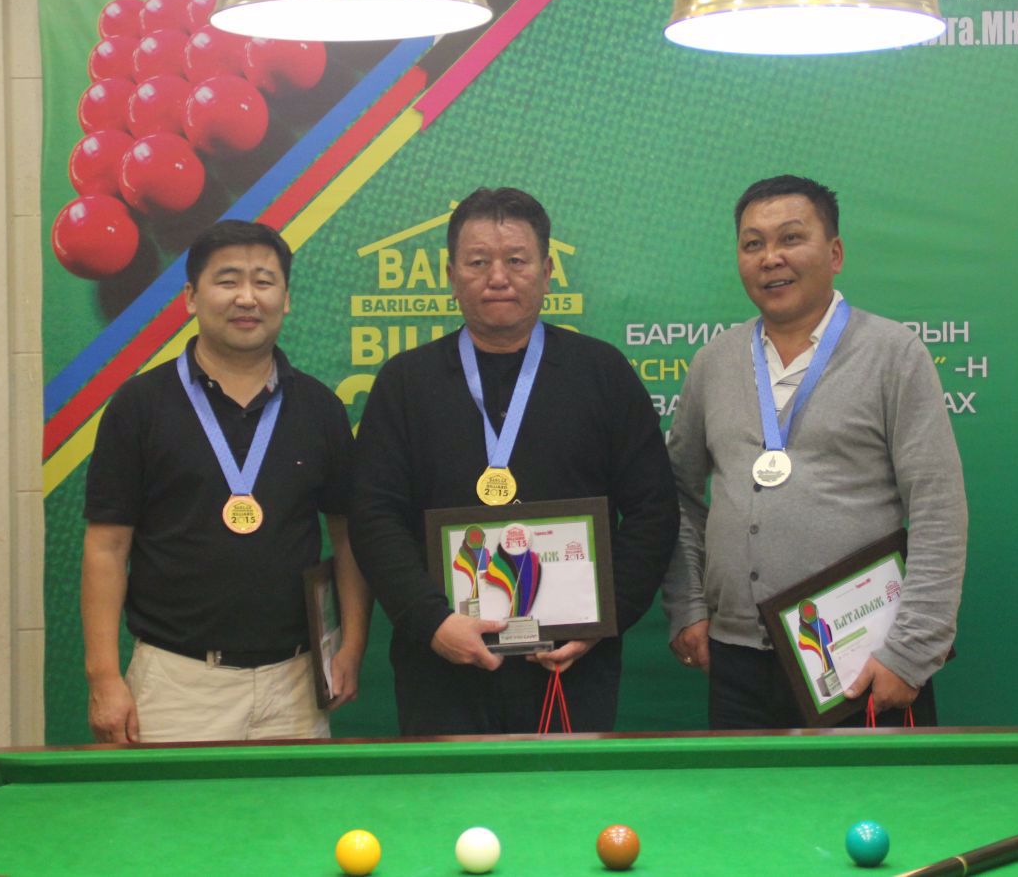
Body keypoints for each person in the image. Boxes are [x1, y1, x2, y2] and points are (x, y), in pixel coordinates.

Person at [350, 186, 679, 734]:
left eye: (517, 261)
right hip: (440, 666)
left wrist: (601, 619)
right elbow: (374, 516)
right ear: (451, 274)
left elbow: (653, 511)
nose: (498, 277)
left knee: (567, 791)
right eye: (478, 262)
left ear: (547, 272)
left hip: (571, 665)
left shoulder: (602, 373)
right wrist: (431, 621)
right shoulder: (405, 383)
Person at [662, 175, 967, 729]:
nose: (770, 258)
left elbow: (938, 510)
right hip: (736, 660)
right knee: (746, 791)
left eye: (791, 238)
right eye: (753, 244)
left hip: (864, 657)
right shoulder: (714, 362)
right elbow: (676, 494)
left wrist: (910, 651)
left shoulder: (894, 355)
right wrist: (688, 605)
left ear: (835, 253)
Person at [82, 219, 370, 743]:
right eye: (228, 280)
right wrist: (103, 676)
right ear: (191, 298)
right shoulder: (139, 406)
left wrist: (350, 646)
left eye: (264, 281)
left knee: (294, 803)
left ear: (286, 300)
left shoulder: (319, 408)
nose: (247, 297)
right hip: (177, 684)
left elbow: (349, 536)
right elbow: (107, 547)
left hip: (296, 684)